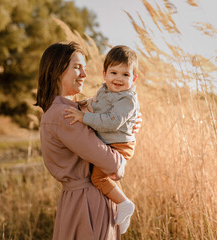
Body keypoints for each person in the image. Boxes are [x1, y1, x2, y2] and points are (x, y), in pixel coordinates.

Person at [35, 42, 141, 240]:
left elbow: (114, 117)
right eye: (77, 67)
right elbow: (113, 165)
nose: (84, 74)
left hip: (80, 200)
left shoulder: (67, 109)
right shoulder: (64, 115)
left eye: (84, 68)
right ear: (57, 70)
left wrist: (132, 123)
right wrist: (124, 148)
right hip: (87, 204)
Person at [64, 45, 139, 234]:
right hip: (110, 141)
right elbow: (96, 104)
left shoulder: (127, 99)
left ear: (133, 78)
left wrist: (84, 118)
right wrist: (82, 104)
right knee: (98, 172)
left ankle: (124, 203)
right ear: (104, 74)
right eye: (114, 72)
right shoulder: (106, 91)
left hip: (120, 144)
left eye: (125, 75)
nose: (118, 79)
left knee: (98, 177)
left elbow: (112, 122)